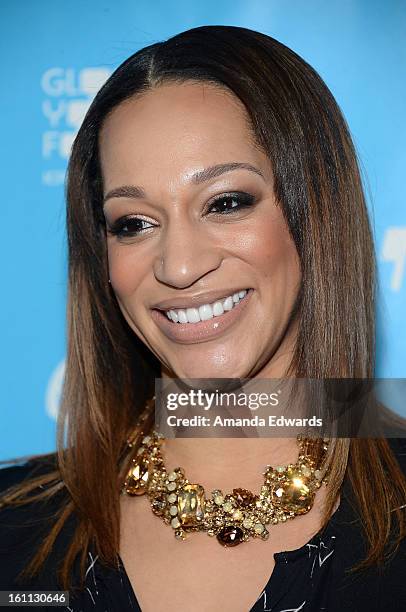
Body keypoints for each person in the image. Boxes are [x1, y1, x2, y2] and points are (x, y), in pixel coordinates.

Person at [1, 24, 406, 612]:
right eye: (133, 223)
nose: (181, 266)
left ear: (313, 213)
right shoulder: (15, 534)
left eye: (226, 202)